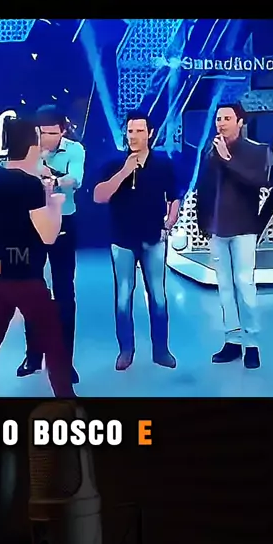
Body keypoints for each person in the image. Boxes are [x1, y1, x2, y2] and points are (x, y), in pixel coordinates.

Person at [0, 117, 76, 398]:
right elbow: (48, 235)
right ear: (32, 146)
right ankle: (69, 403)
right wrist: (54, 202)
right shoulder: (30, 185)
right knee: (54, 343)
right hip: (26, 279)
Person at [94, 111, 181, 371]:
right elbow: (99, 196)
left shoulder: (163, 164)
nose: (133, 136)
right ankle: (126, 350)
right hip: (122, 240)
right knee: (123, 296)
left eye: (139, 131)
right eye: (130, 131)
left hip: (154, 239)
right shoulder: (114, 163)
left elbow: (174, 197)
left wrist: (170, 221)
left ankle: (161, 350)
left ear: (150, 133)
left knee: (158, 296)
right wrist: (124, 172)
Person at [196, 103, 271, 369]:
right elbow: (204, 187)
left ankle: (252, 344)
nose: (221, 122)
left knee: (244, 283)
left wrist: (228, 159)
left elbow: (258, 181)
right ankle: (232, 339)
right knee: (225, 287)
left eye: (227, 118)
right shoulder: (210, 150)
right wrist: (202, 221)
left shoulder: (257, 150)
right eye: (218, 118)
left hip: (244, 228)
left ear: (240, 122)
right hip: (217, 229)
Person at [17, 105, 85, 384]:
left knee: (64, 291)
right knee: (31, 289)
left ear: (63, 130)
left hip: (63, 223)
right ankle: (33, 355)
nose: (46, 138)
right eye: (42, 133)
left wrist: (53, 179)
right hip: (31, 224)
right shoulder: (26, 149)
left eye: (52, 133)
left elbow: (75, 179)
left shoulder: (75, 150)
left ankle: (64, 361)